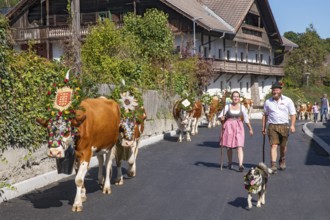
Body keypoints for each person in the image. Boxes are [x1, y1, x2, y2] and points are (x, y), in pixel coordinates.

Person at [262, 82, 296, 173]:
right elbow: (265, 115)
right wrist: (264, 127)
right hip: (272, 126)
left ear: (280, 90)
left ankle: (282, 159)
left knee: (283, 146)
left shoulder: (288, 100)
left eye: (276, 90)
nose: (275, 91)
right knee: (273, 145)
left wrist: (292, 125)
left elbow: (293, 114)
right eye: (273, 90)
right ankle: (273, 164)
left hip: (284, 126)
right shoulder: (268, 102)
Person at [219, 91, 253, 172]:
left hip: (239, 126)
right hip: (228, 126)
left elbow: (246, 119)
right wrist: (222, 118)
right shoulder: (227, 106)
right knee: (229, 147)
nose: (235, 98)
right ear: (231, 98)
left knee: (239, 146)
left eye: (237, 96)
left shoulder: (242, 107)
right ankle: (230, 163)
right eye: (234, 96)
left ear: (239, 98)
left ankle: (240, 164)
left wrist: (250, 129)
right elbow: (220, 116)